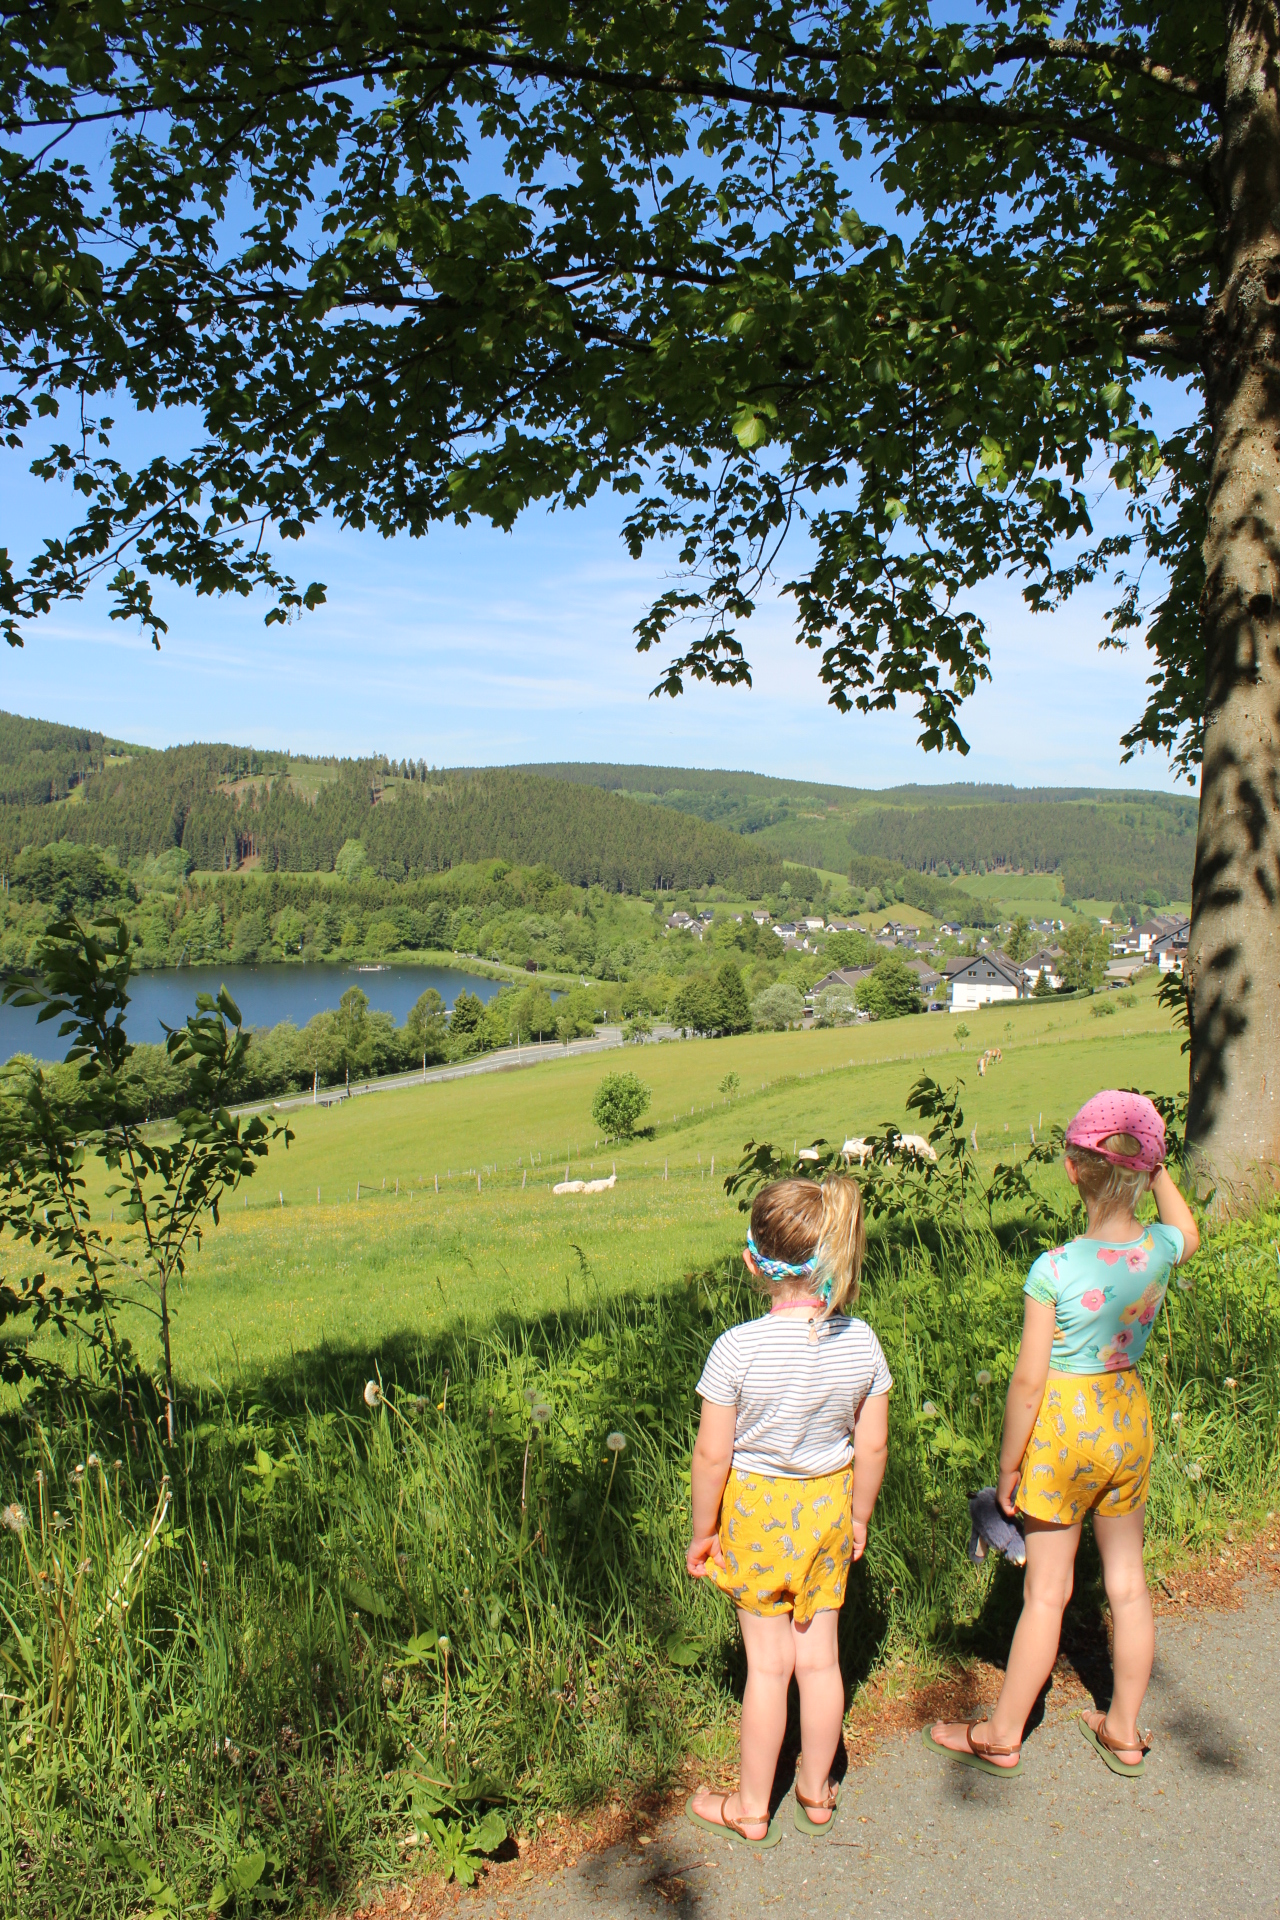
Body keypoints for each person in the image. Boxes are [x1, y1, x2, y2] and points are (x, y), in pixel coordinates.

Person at [926, 1090, 1199, 1778]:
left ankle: (1002, 1734)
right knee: (1126, 1582)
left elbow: (1027, 1383)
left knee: (1047, 1591)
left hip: (1062, 1432)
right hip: (1126, 1417)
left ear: (1073, 1169)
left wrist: (1008, 1466)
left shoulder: (1053, 1269)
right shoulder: (1159, 1248)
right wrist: (1158, 1168)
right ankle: (1124, 1729)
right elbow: (1188, 1232)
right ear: (1145, 1172)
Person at [684, 1175, 891, 1846]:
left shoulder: (736, 1348)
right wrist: (859, 1517)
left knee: (768, 1666)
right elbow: (873, 1443)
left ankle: (751, 1807)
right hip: (828, 1508)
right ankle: (816, 1790)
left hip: (756, 1516)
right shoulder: (860, 1340)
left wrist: (704, 1531)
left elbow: (712, 1455)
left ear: (753, 1261)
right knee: (821, 1662)